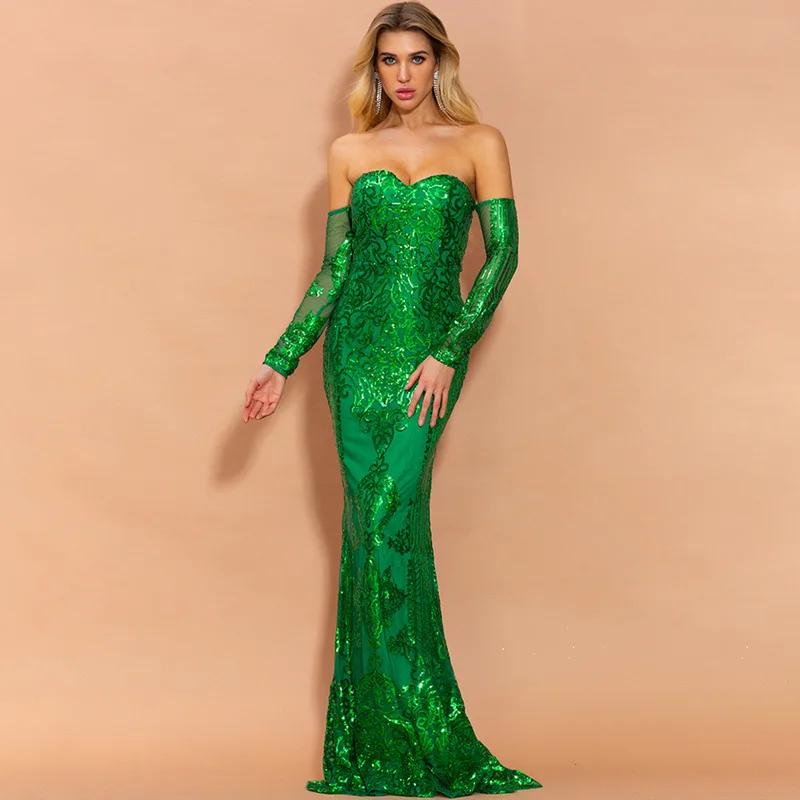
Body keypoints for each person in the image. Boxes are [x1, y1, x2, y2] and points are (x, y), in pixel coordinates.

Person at [242, 2, 541, 795]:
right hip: (356, 359)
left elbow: (503, 257)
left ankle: (421, 729)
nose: (403, 75)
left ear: (439, 63)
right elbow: (335, 270)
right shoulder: (350, 151)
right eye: (389, 60)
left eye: (416, 58)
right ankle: (376, 740)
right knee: (371, 529)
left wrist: (450, 348)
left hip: (428, 355)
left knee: (387, 518)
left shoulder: (479, 143)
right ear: (373, 69)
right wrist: (281, 360)